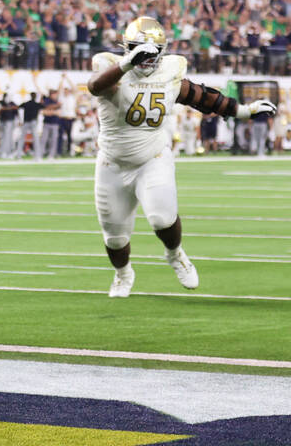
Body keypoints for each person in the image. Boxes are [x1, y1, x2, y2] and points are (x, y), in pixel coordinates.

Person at [86, 16, 275, 298]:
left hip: (153, 157)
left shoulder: (169, 72)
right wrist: (128, 63)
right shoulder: (112, 69)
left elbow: (202, 97)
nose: (147, 58)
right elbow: (96, 87)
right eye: (139, 49)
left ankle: (175, 255)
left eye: (151, 51)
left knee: (162, 218)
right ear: (127, 47)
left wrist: (245, 111)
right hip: (112, 163)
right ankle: (123, 274)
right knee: (114, 238)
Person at [0, 94, 20, 159]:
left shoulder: (12, 103)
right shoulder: (1, 102)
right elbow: (0, 110)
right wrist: (9, 108)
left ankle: (9, 152)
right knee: (3, 138)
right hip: (2, 121)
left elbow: (16, 111)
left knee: (9, 138)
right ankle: (3, 152)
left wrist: (19, 120)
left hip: (10, 122)